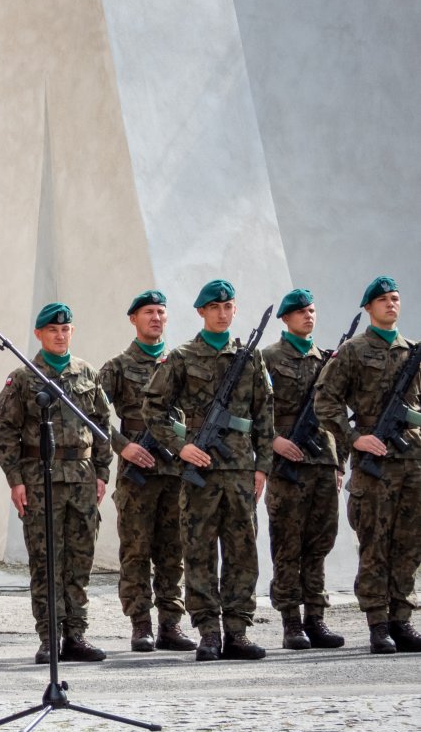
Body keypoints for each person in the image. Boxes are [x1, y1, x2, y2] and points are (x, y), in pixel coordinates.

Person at [141, 280, 274, 662]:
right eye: (214, 307)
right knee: (198, 551)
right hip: (201, 470)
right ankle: (209, 632)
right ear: (201, 311)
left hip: (240, 469)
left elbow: (265, 414)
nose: (222, 313)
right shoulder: (183, 357)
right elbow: (152, 408)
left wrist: (262, 467)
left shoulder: (250, 358)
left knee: (242, 552)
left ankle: (237, 632)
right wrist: (180, 446)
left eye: (228, 306)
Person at [0, 303, 112, 665]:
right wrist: (15, 481)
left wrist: (102, 472)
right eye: (52, 330)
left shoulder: (87, 373)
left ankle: (76, 634)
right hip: (40, 478)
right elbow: (5, 433)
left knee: (80, 560)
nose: (60, 336)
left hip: (82, 478)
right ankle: (49, 637)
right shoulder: (24, 377)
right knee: (46, 560)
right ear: (39, 334)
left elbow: (102, 425)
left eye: (65, 330)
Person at [314, 276, 421, 654]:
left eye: (395, 298)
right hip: (375, 466)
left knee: (410, 544)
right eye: (383, 300)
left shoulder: (413, 352)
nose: (391, 304)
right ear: (369, 308)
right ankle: (378, 624)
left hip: (413, 463)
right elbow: (325, 401)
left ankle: (401, 620)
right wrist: (354, 437)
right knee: (375, 544)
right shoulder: (353, 351)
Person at [97, 291, 195, 653]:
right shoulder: (118, 367)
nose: (155, 318)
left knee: (173, 551)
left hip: (176, 470)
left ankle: (171, 624)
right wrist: (123, 445)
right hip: (137, 472)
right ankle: (141, 625)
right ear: (133, 319)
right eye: (148, 312)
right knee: (136, 551)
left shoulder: (181, 363)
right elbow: (90, 415)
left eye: (160, 312)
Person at [262, 289, 346, 650]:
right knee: (287, 544)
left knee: (319, 544)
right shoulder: (268, 358)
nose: (308, 316)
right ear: (285, 318)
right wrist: (273, 442)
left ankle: (316, 618)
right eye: (300, 312)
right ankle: (291, 622)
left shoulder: (328, 360)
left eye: (311, 311)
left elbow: (337, 414)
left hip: (323, 462)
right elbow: (254, 409)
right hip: (287, 466)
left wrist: (339, 463)